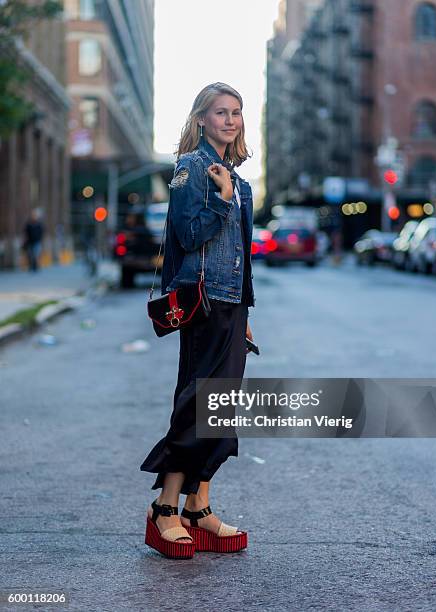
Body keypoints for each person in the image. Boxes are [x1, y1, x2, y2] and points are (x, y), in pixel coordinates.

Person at [140, 82, 256, 559]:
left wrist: (246, 311)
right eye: (220, 112)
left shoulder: (237, 177)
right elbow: (188, 236)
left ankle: (198, 505)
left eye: (236, 113)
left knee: (221, 407)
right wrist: (222, 198)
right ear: (201, 119)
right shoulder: (192, 168)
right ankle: (166, 509)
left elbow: (242, 256)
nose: (230, 120)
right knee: (197, 403)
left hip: (231, 303)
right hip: (204, 301)